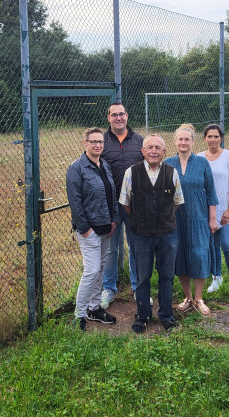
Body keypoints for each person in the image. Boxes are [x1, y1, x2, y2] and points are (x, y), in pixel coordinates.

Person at [118, 134, 184, 333]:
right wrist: (143, 220)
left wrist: (161, 219)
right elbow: (126, 204)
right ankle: (143, 315)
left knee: (166, 275)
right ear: (143, 151)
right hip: (141, 234)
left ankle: (166, 315)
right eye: (150, 147)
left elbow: (177, 202)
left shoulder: (172, 172)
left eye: (158, 147)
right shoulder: (131, 173)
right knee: (142, 276)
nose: (153, 151)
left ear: (164, 152)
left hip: (167, 234)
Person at [65, 127, 119, 331]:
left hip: (106, 227)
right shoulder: (76, 168)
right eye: (93, 141)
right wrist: (84, 228)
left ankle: (94, 308)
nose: (98, 145)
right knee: (91, 270)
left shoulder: (104, 165)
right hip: (89, 230)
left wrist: (113, 220)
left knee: (101, 268)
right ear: (85, 143)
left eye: (100, 142)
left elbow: (111, 194)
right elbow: (75, 202)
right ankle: (80, 314)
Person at [164, 124, 218, 316]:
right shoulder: (168, 164)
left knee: (199, 254)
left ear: (193, 142)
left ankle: (199, 298)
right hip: (175, 219)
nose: (183, 142)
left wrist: (212, 219)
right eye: (180, 139)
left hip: (198, 217)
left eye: (187, 139)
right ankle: (187, 297)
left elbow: (211, 193)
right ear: (175, 141)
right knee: (180, 256)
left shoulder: (202, 163)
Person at [100, 102, 145, 309]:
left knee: (136, 247)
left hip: (135, 205)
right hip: (111, 205)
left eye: (122, 114)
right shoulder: (102, 142)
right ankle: (108, 289)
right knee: (111, 249)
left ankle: (138, 288)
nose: (118, 118)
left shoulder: (139, 140)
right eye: (114, 115)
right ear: (108, 118)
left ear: (127, 116)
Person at [199, 123, 229, 297]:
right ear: (205, 138)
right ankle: (216, 278)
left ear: (221, 138)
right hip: (206, 210)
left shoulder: (228, 156)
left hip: (225, 210)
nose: (213, 139)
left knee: (228, 245)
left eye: (216, 136)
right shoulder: (199, 157)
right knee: (212, 246)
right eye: (209, 136)